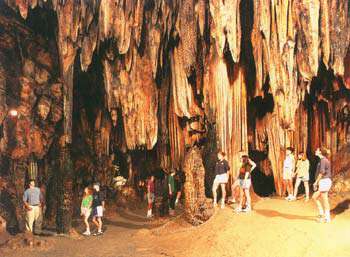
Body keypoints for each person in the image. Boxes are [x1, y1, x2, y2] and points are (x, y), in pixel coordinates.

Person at [312, 147, 332, 223]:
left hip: (325, 181)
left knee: (324, 199)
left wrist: (316, 182)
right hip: (323, 181)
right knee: (314, 197)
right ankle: (322, 213)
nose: (315, 151)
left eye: (317, 150)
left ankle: (327, 218)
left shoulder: (323, 160)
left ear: (320, 152)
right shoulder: (322, 160)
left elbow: (321, 173)